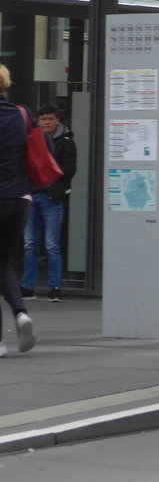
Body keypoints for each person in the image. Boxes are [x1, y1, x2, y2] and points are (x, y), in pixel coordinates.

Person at [21, 104, 76, 301]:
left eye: (50, 119)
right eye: (43, 119)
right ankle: (27, 287)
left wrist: (46, 168)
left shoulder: (66, 142)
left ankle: (54, 286)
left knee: (52, 245)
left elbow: (70, 169)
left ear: (57, 120)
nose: (46, 122)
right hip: (32, 195)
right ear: (38, 121)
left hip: (53, 197)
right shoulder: (30, 140)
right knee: (30, 244)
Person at [0, 64, 36, 356]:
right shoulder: (21, 114)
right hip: (20, 200)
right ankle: (21, 313)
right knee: (3, 262)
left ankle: (0, 340)